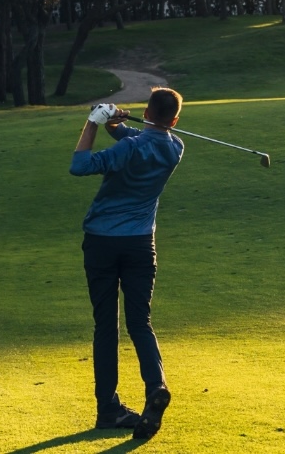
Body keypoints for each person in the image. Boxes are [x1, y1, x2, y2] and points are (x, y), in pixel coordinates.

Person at [70, 88, 184, 440]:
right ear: (175, 120)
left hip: (103, 243)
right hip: (140, 244)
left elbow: (80, 165)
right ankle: (155, 386)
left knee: (106, 326)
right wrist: (114, 123)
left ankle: (108, 410)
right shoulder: (175, 147)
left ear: (147, 112)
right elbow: (139, 136)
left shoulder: (130, 148)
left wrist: (93, 122)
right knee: (140, 322)